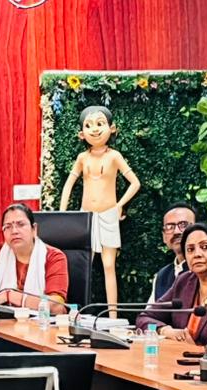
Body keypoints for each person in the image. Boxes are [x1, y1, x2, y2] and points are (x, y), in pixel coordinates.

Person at [57, 105, 141, 318]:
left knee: (109, 265)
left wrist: (119, 205)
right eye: (89, 125)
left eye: (100, 123)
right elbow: (68, 185)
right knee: (82, 264)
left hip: (108, 214)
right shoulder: (82, 158)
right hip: (85, 216)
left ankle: (113, 316)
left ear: (112, 128)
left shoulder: (114, 156)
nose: (94, 129)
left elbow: (135, 183)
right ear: (81, 134)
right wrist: (62, 213)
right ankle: (75, 312)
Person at [137, 222, 207, 345]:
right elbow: (145, 317)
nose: (197, 254)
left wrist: (196, 349)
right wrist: (166, 330)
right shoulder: (184, 281)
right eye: (190, 249)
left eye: (205, 247)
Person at [0, 203, 69, 313]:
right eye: (8, 227)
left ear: (34, 229)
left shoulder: (54, 256)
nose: (14, 231)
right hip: (1, 322)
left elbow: (56, 306)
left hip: (40, 323)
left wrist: (10, 297)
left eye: (21, 225)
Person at [147, 203, 195, 303]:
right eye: (170, 227)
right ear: (164, 237)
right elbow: (150, 311)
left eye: (183, 225)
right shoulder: (161, 276)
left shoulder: (206, 270)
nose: (176, 231)